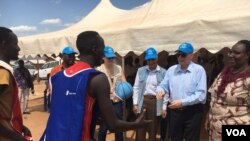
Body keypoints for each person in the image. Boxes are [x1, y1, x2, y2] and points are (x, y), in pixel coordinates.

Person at [40, 31, 151, 141]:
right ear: (94, 49)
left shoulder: (56, 77)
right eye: (102, 49)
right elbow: (113, 125)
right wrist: (136, 124)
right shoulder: (97, 78)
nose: (103, 54)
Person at [157, 42, 207, 141]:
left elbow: (201, 95)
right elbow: (163, 85)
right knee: (175, 138)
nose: (180, 57)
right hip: (175, 112)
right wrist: (160, 90)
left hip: (193, 112)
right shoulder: (171, 70)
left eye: (183, 54)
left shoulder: (199, 70)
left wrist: (182, 102)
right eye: (178, 54)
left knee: (191, 139)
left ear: (191, 56)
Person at [205, 40, 250, 141]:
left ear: (247, 55)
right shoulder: (224, 73)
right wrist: (209, 115)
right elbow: (214, 96)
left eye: (237, 53)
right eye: (231, 52)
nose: (231, 55)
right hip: (215, 127)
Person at [0, 27, 32, 141]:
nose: (18, 48)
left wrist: (20, 126)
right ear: (4, 45)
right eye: (15, 44)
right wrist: (15, 136)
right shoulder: (2, 73)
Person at [133, 47, 166, 141]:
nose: (151, 62)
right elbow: (136, 87)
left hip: (155, 102)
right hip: (142, 101)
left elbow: (166, 91)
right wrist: (135, 103)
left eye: (153, 59)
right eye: (148, 60)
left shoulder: (163, 72)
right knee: (140, 127)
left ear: (157, 59)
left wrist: (164, 107)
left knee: (153, 129)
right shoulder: (141, 71)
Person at [97, 46, 126, 141]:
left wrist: (124, 88)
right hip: (105, 103)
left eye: (112, 57)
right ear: (103, 57)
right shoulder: (98, 70)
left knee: (118, 126)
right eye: (108, 57)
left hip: (117, 101)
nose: (111, 60)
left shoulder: (119, 68)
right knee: (104, 127)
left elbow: (124, 82)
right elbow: (96, 88)